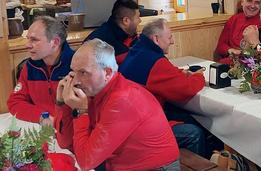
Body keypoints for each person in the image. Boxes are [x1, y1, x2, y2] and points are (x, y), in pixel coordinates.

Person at [54, 39, 179, 171]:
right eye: (74, 71)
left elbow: (85, 162)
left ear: (107, 73)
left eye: (83, 73)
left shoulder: (122, 100)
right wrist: (62, 103)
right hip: (118, 163)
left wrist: (80, 112)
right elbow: (65, 143)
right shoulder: (93, 91)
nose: (76, 81)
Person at [119, 18, 207, 157]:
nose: (172, 42)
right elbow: (186, 89)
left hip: (127, 120)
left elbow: (165, 73)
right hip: (139, 129)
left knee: (188, 117)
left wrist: (180, 72)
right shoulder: (155, 62)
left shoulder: (138, 50)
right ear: (156, 39)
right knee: (194, 132)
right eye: (170, 37)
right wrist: (199, 76)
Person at [7, 16, 74, 123]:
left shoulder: (77, 67)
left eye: (34, 40)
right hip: (42, 132)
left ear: (55, 42)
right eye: (27, 39)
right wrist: (43, 117)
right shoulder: (30, 67)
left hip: (72, 132)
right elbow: (15, 102)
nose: (27, 45)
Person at [84, 0, 141, 65]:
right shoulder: (99, 43)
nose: (140, 21)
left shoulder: (130, 35)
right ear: (126, 21)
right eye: (138, 17)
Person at [214, 0, 261, 64]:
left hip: (249, 65)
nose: (253, 6)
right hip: (227, 62)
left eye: (257, 3)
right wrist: (230, 50)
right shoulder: (233, 19)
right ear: (242, 2)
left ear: (260, 6)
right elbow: (220, 47)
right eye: (249, 1)